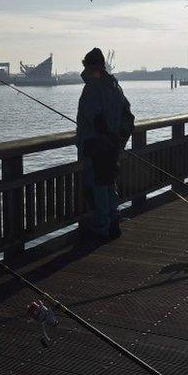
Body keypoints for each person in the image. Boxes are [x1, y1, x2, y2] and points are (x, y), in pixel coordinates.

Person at [76, 48, 134, 240]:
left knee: (98, 185)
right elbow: (128, 116)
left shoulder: (93, 87)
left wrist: (104, 135)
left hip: (96, 145)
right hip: (112, 146)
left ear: (89, 66)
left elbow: (95, 116)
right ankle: (113, 220)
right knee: (109, 183)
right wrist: (119, 138)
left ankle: (102, 226)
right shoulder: (114, 86)